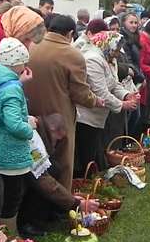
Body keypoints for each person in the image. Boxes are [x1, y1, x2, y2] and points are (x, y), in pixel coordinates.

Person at [23, 15, 101, 191]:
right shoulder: (72, 54)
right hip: (59, 115)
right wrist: (95, 100)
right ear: (70, 33)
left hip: (29, 112)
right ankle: (62, 206)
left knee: (36, 160)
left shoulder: (31, 45)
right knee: (62, 161)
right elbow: (80, 94)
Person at [0, 38, 38, 236]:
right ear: (17, 63)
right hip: (10, 147)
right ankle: (6, 239)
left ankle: (6, 236)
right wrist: (29, 127)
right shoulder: (12, 88)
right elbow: (14, 124)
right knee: (12, 196)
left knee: (10, 194)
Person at [76, 32, 138, 173]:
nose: (117, 53)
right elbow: (100, 91)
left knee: (94, 150)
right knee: (86, 152)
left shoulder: (108, 57)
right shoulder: (93, 59)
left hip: (98, 114)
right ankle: (86, 182)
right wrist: (122, 104)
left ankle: (91, 179)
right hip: (87, 115)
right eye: (116, 49)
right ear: (106, 45)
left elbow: (114, 84)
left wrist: (127, 95)